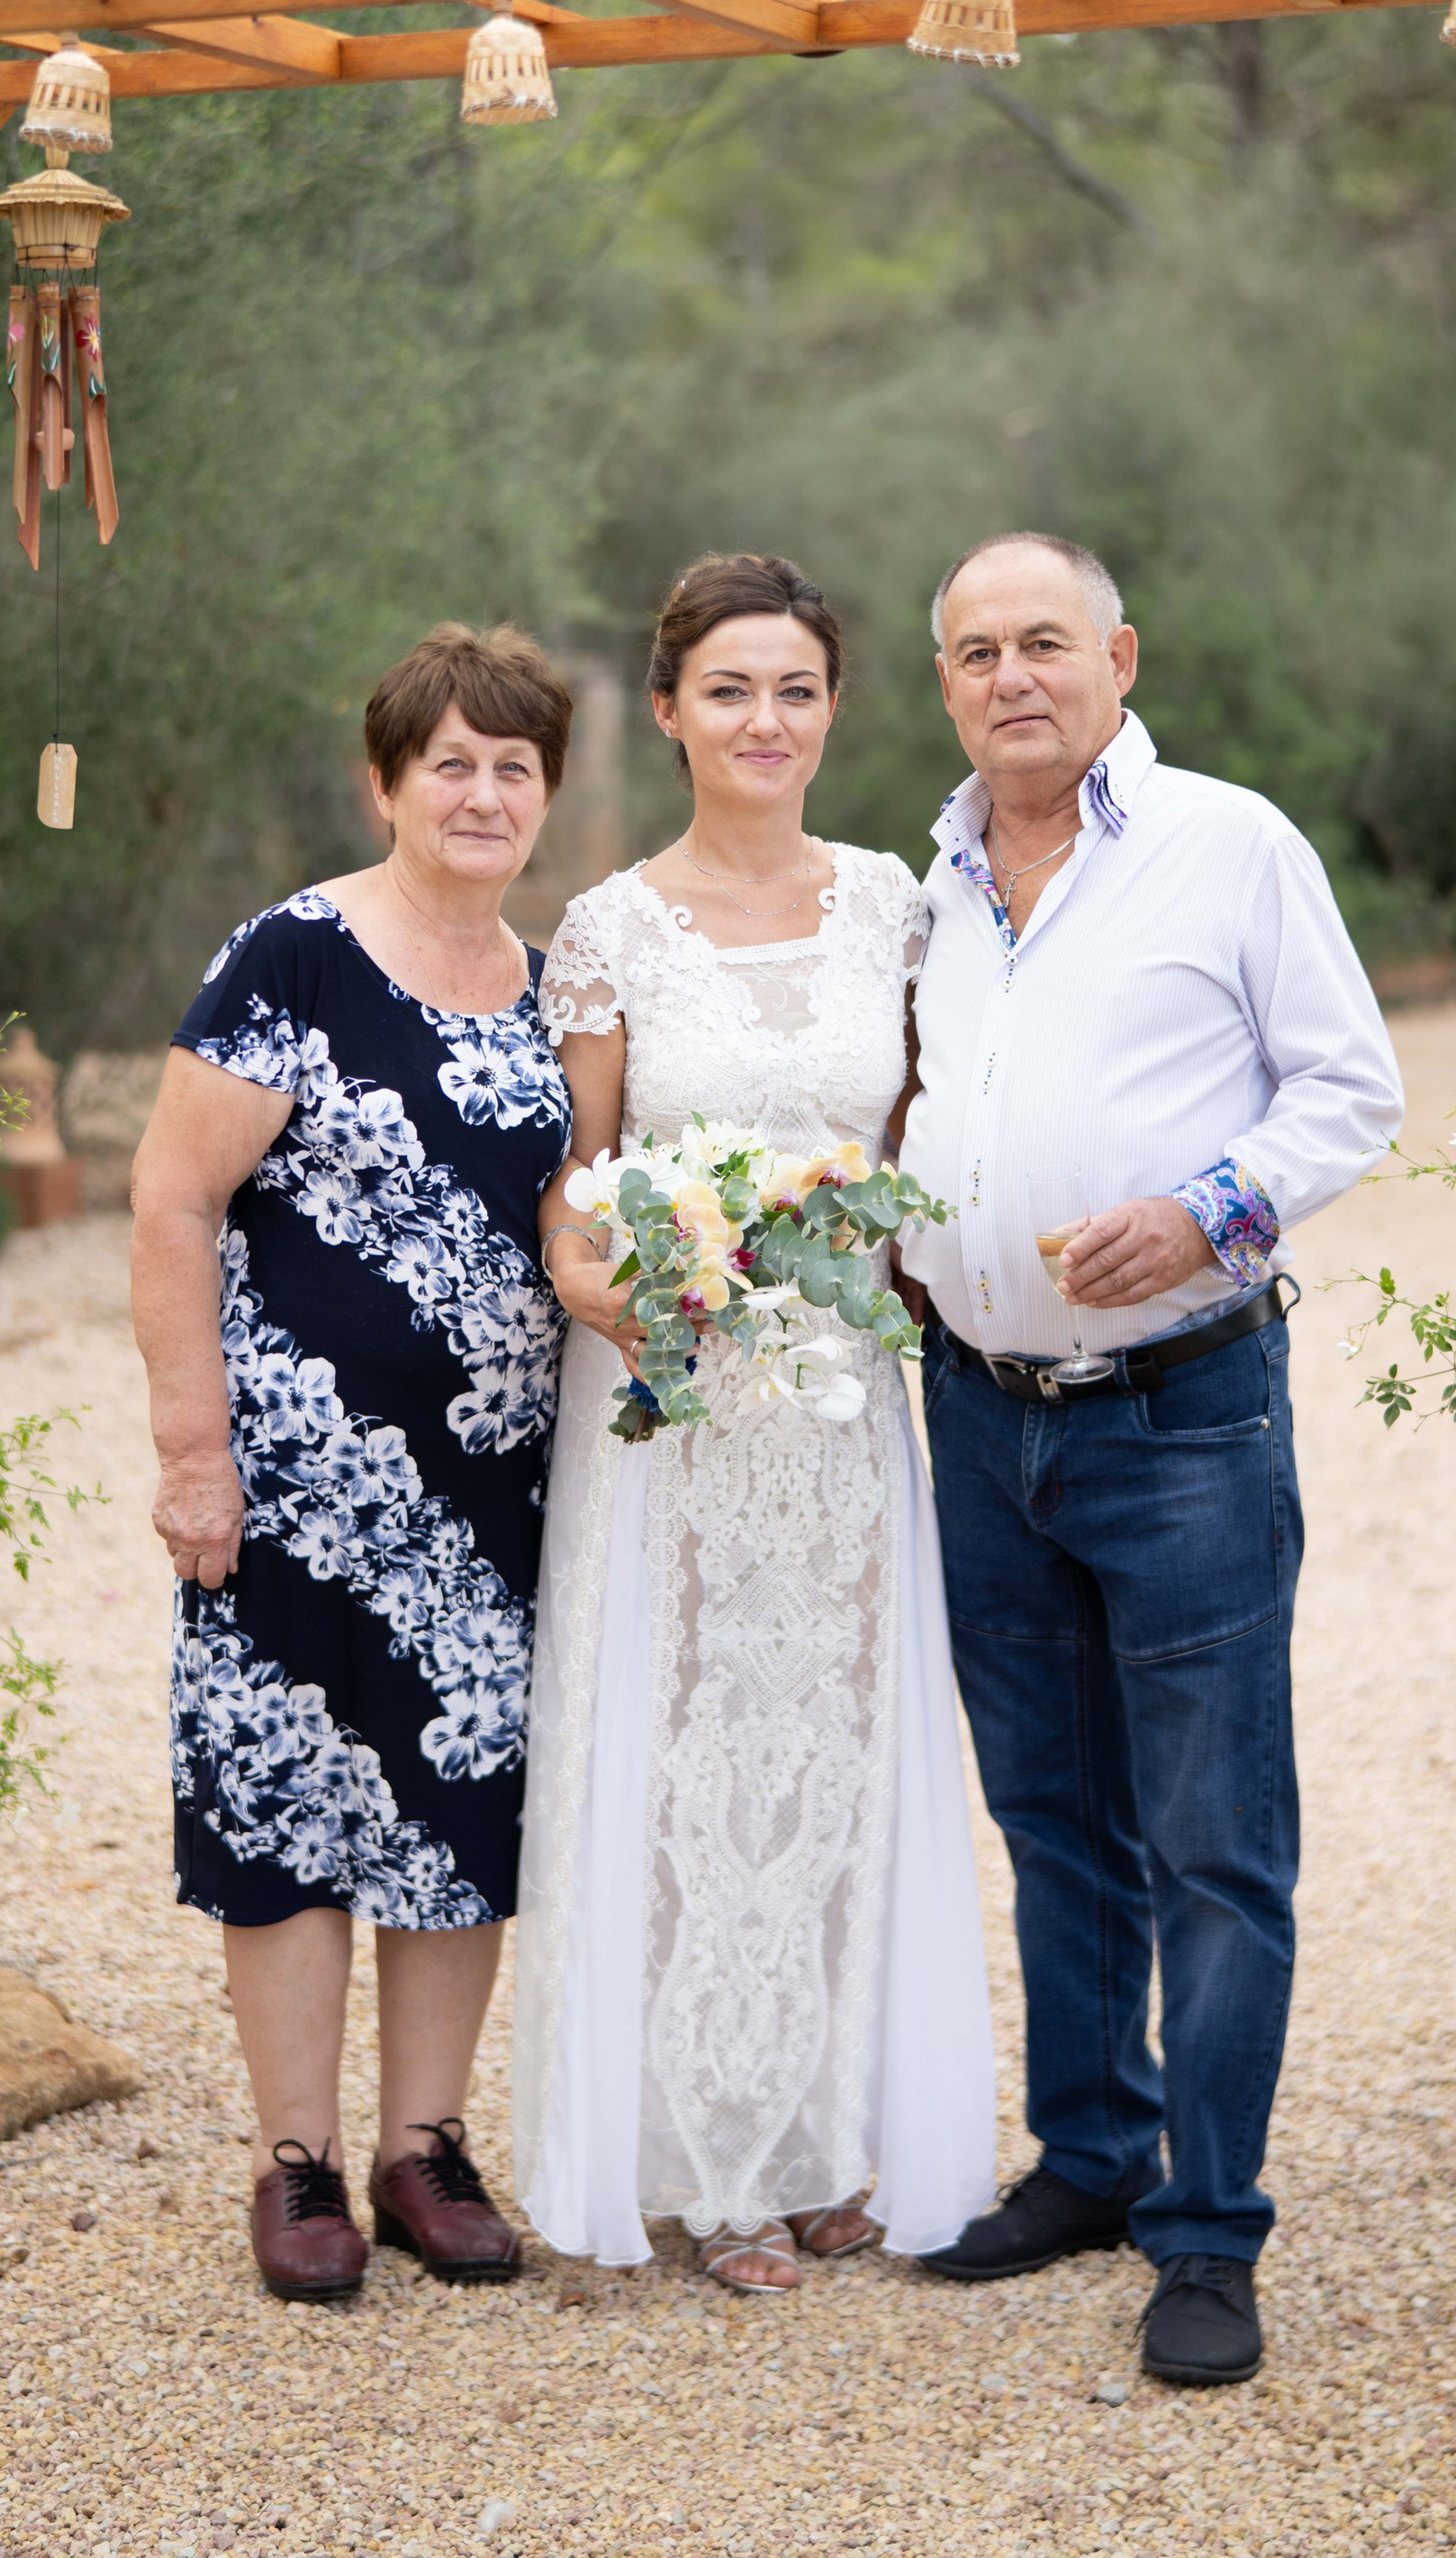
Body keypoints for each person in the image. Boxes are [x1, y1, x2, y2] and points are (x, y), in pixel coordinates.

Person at [900, 532, 1402, 2388]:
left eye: (1042, 641)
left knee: (1210, 1847)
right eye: (973, 651)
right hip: (974, 1415)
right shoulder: (931, 887)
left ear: (1115, 654)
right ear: (941, 681)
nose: (1009, 675)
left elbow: (1346, 1087)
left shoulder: (1228, 844)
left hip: (1179, 1412)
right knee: (1050, 1823)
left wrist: (1208, 1210)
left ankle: (1205, 2232)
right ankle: (1092, 2159)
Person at [516, 552, 997, 2292]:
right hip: (676, 1402)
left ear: (833, 709)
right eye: (729, 688)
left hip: (847, 1399)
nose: (765, 719)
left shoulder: (894, 906)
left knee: (837, 1752)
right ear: (667, 710)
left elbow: (926, 1138)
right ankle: (704, 2164)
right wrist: (602, 1287)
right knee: (686, 1759)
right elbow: (577, 1183)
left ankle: (820, 2141)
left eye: (795, 687)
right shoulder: (613, 928)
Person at [131, 623, 576, 2302]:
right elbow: (171, 1202)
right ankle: (298, 2164)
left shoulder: (549, 989)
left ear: (546, 796)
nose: (481, 792)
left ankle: (423, 2150)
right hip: (294, 1488)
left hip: (488, 1494)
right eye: (449, 761)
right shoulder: (292, 960)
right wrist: (194, 1455)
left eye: (512, 766)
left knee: (457, 1814)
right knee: (294, 1815)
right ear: (385, 781)